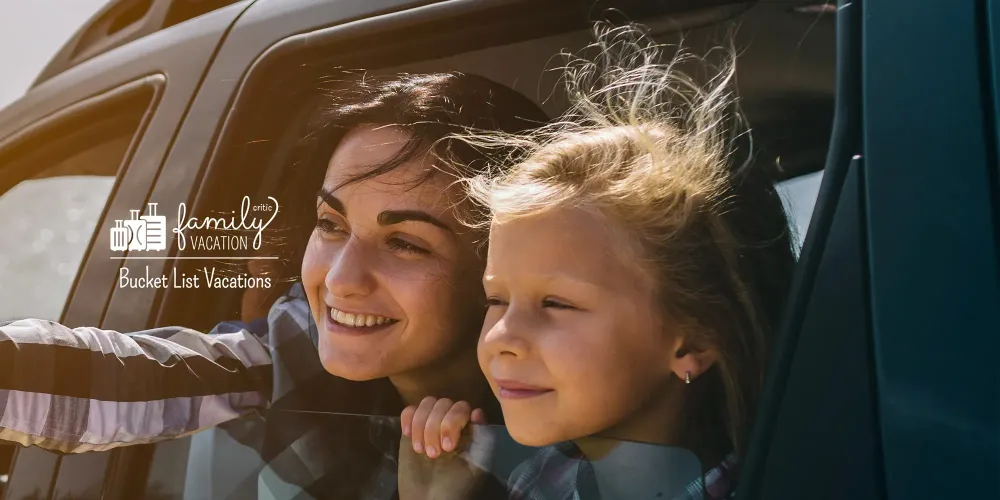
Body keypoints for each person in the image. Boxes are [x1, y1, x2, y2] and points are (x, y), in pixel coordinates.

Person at [0, 72, 548, 498]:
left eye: (405, 243)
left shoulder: (568, 430)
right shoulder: (293, 349)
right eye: (330, 224)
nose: (340, 279)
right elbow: (128, 379)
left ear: (498, 266)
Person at [401, 24, 796, 500]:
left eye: (556, 303)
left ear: (692, 340)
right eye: (496, 299)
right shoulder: (543, 480)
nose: (501, 337)